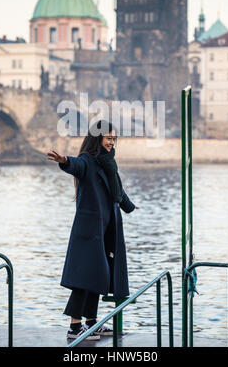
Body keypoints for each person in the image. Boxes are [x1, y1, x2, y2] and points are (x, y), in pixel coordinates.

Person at [47, 120, 139, 341]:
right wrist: (65, 161)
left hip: (105, 231)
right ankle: (74, 326)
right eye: (108, 138)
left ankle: (91, 323)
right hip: (89, 232)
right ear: (97, 138)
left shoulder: (108, 164)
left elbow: (117, 190)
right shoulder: (88, 161)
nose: (111, 142)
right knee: (83, 278)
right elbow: (76, 165)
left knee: (98, 276)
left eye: (113, 139)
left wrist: (129, 206)